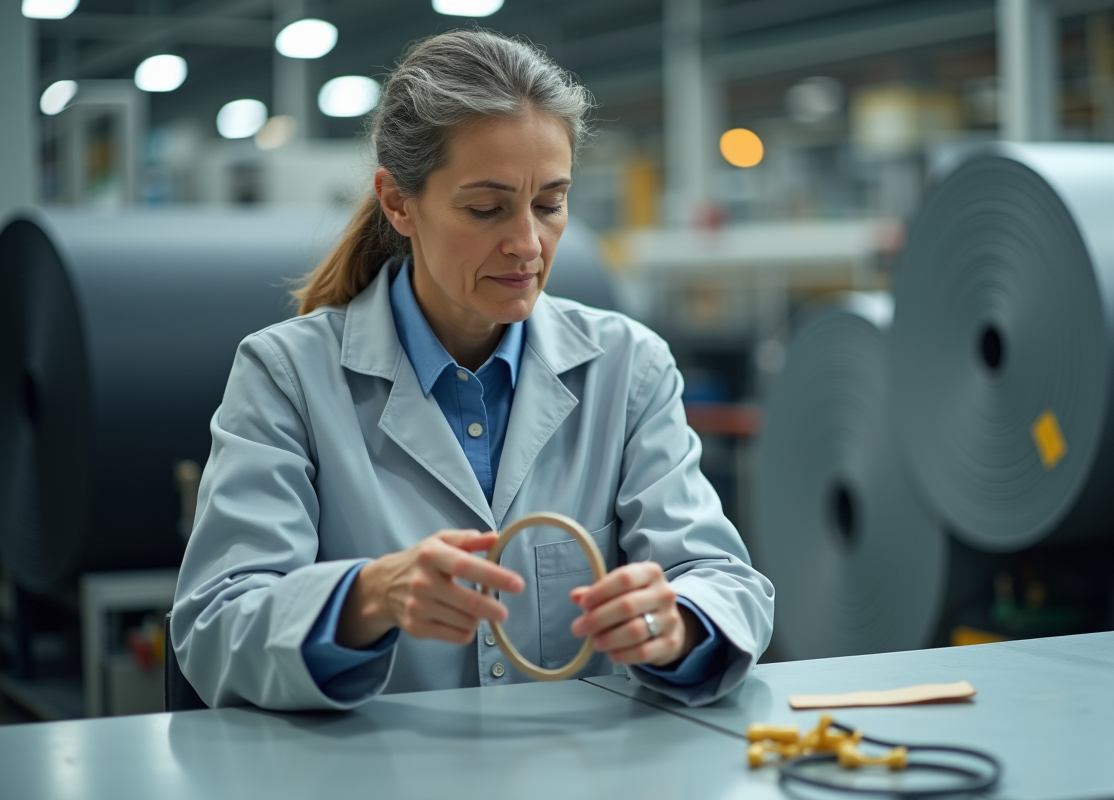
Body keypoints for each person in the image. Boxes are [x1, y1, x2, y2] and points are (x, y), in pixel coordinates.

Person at [171, 29, 774, 711]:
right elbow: (215, 625)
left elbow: (724, 581)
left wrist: (679, 621)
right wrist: (366, 599)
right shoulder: (286, 375)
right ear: (398, 203)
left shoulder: (627, 367)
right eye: (486, 209)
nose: (527, 243)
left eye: (550, 203)